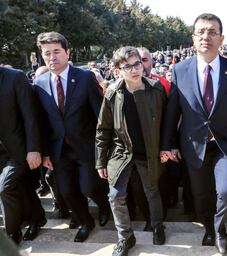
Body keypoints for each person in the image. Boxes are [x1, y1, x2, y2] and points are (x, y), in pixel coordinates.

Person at [160, 13, 227, 254]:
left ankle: (220, 228)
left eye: (212, 31)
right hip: (193, 145)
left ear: (221, 38)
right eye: (201, 32)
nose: (206, 36)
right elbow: (173, 112)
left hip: (226, 143)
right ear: (193, 38)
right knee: (200, 194)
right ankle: (209, 229)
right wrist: (167, 144)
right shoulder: (180, 70)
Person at [33, 31, 110, 243]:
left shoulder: (85, 78)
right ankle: (86, 221)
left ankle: (104, 207)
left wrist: (103, 148)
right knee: (67, 192)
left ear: (67, 52)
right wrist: (46, 152)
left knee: (89, 187)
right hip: (59, 151)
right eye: (46, 53)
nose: (51, 57)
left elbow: (100, 116)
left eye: (56, 51)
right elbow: (41, 122)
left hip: (86, 146)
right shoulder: (39, 83)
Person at [96, 46, 166, 256]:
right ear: (118, 70)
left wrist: (166, 148)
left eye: (137, 64)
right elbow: (103, 129)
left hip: (150, 152)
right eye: (127, 66)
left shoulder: (156, 89)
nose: (135, 69)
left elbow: (165, 124)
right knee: (115, 196)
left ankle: (157, 226)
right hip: (121, 153)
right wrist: (100, 161)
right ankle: (125, 237)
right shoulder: (112, 93)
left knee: (152, 191)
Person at [0, 66, 45, 243]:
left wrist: (34, 149)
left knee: (4, 188)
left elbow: (30, 115)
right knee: (21, 186)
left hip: (18, 150)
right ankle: (37, 218)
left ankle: (12, 232)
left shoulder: (15, 77)